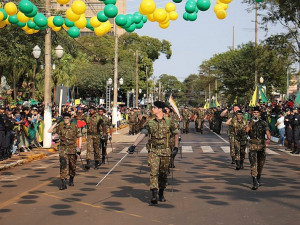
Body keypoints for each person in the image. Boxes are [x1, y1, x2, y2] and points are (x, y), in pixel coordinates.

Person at [127, 101, 179, 205]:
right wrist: (134, 145)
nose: (152, 109)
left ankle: (161, 192)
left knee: (163, 173)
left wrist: (176, 147)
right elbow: (143, 134)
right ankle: (154, 193)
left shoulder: (170, 122)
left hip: (166, 150)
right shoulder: (150, 122)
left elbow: (176, 133)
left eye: (154, 108)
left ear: (160, 109)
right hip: (153, 151)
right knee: (154, 172)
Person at [48, 112, 81, 190]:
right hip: (63, 148)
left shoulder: (74, 127)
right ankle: (63, 182)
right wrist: (56, 122)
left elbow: (79, 137)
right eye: (64, 118)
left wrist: (79, 148)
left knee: (72, 165)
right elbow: (49, 131)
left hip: (72, 148)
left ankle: (71, 178)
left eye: (67, 118)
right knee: (63, 165)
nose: (66, 120)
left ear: (70, 119)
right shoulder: (60, 126)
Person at [246, 107, 271, 190]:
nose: (255, 113)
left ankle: (259, 177)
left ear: (259, 113)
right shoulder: (250, 122)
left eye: (257, 112)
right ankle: (254, 181)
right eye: (254, 112)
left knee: (261, 163)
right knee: (253, 163)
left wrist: (268, 139)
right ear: (252, 113)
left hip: (261, 146)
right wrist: (251, 122)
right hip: (253, 145)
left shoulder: (263, 122)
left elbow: (268, 133)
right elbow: (246, 130)